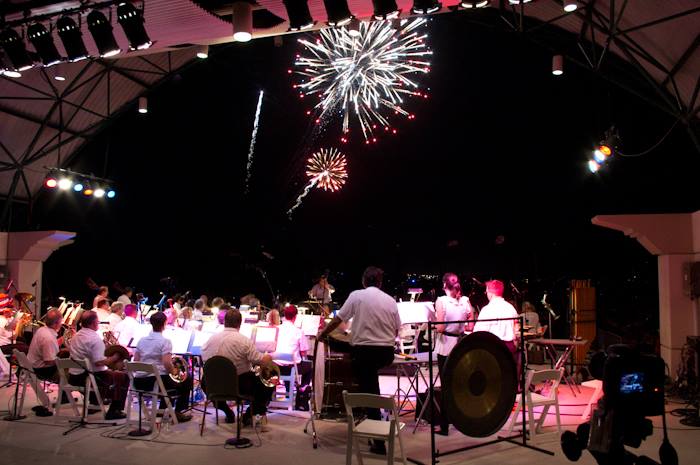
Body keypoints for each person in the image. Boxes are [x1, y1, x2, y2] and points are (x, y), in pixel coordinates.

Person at [318, 266, 401, 455]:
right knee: (371, 382)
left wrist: (323, 335)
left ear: (364, 281)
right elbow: (397, 330)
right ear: (380, 283)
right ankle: (369, 415)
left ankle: (379, 440)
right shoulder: (390, 300)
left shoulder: (356, 295)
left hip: (364, 353)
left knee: (370, 388)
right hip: (386, 353)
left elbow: (338, 319)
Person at [201, 306, 274, 425]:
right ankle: (249, 415)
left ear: (224, 322)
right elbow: (259, 360)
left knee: (206, 380)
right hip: (238, 386)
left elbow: (205, 358)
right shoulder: (243, 341)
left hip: (211, 385)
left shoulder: (210, 340)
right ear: (240, 323)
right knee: (268, 380)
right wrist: (268, 357)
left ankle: (227, 411)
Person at [68, 310, 129, 420]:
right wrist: (115, 357)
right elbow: (99, 362)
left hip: (73, 376)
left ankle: (94, 403)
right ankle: (114, 410)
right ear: (93, 323)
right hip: (87, 378)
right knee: (123, 376)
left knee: (108, 373)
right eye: (98, 321)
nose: (99, 323)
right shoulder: (94, 339)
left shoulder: (76, 336)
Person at [133, 312, 193, 422]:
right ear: (165, 324)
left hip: (138, 382)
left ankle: (163, 409)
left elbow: (135, 360)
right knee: (186, 379)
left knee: (167, 379)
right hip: (155, 383)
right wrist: (174, 371)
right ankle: (178, 411)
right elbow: (166, 363)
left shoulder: (141, 340)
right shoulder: (165, 341)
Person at [433, 273, 473, 436]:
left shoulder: (441, 301)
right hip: (461, 344)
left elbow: (440, 328)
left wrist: (433, 320)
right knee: (461, 384)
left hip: (446, 346)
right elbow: (470, 323)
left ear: (444, 285)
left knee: (447, 386)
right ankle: (463, 419)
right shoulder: (465, 301)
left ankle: (444, 425)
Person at [473, 280, 519, 360]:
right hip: (509, 348)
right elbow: (516, 329)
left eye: (486, 291)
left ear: (490, 293)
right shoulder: (511, 308)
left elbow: (478, 333)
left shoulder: (486, 310)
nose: (486, 293)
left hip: (493, 349)